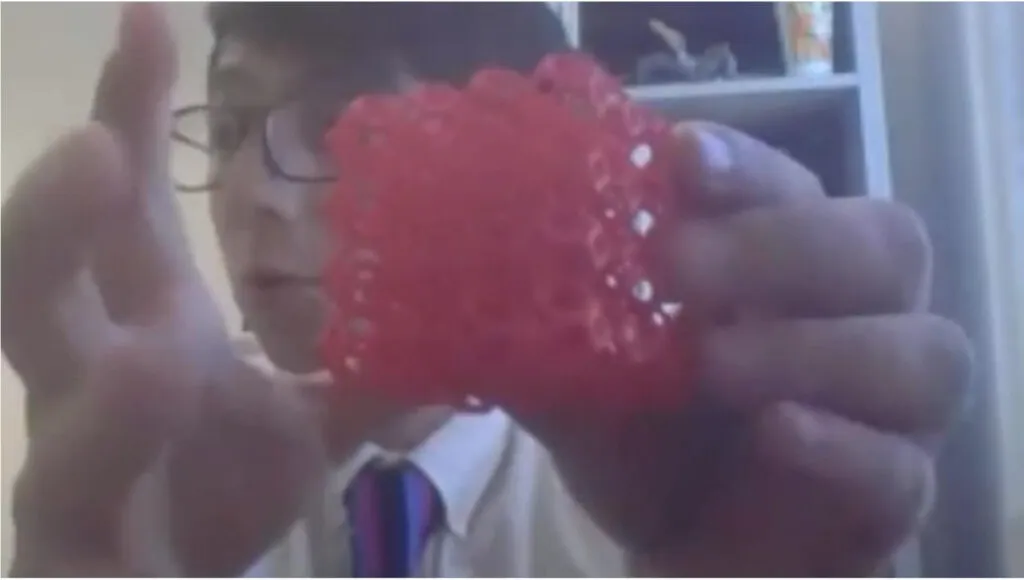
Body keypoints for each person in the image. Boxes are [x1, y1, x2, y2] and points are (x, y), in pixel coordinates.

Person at [1, 2, 973, 577]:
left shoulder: (682, 494)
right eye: (226, 129)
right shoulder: (175, 510)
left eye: (343, 118)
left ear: (519, 171)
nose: (250, 189)